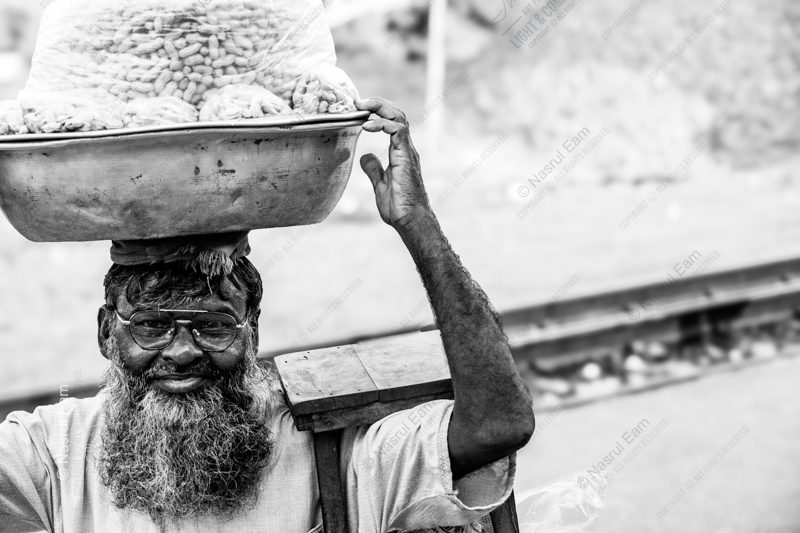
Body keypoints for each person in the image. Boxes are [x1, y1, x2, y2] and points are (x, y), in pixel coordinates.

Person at [0, 98, 534, 532]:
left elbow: (499, 425)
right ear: (106, 333)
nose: (182, 352)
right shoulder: (56, 452)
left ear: (251, 332)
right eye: (152, 326)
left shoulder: (327, 448)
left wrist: (418, 225)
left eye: (211, 327)